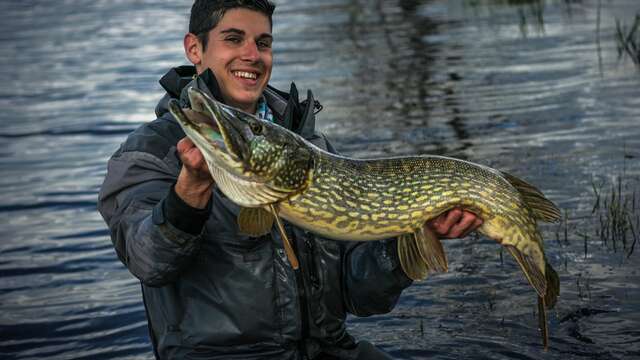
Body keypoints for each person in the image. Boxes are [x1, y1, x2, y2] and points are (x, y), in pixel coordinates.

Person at [98, 1, 482, 359]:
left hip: (328, 349)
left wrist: (408, 240)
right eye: (234, 39)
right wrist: (191, 190)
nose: (252, 54)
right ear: (194, 49)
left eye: (263, 43)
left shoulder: (308, 146)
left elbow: (361, 296)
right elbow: (148, 261)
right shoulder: (148, 153)